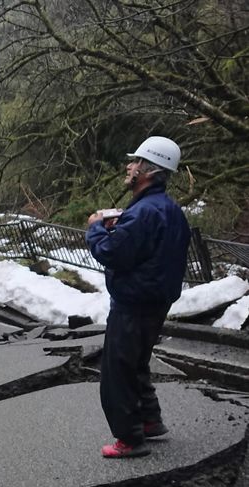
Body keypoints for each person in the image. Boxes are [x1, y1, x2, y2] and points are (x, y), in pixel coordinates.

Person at [85, 136, 192, 459]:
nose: (129, 167)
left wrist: (95, 228)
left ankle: (129, 440)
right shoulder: (168, 208)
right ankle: (149, 421)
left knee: (117, 371)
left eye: (135, 162)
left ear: (147, 170)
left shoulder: (144, 212)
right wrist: (124, 226)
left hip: (134, 303)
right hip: (158, 300)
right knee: (136, 363)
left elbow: (111, 252)